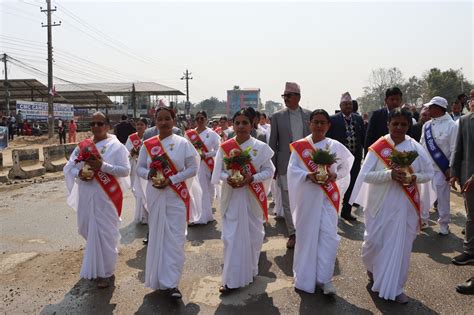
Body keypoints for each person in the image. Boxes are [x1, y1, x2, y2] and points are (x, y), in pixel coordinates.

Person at [350, 108, 435, 304]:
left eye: (403, 124)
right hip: (379, 205)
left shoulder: (415, 148)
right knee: (373, 243)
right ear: (388, 124)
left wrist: (413, 177)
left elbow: (428, 174)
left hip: (405, 207)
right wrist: (389, 174)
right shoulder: (379, 147)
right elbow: (365, 176)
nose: (398, 127)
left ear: (409, 126)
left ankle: (395, 287)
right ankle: (372, 267)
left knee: (401, 246)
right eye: (395, 123)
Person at [288, 109, 354, 295]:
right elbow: (292, 171)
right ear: (310, 123)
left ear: (328, 125)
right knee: (306, 237)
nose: (319, 125)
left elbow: (346, 167)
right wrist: (308, 175)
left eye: (322, 122)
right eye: (315, 122)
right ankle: (304, 278)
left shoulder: (335, 146)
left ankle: (324, 279)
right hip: (307, 198)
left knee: (328, 238)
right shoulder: (300, 147)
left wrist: (335, 174)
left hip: (328, 199)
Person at [136, 107, 198, 299]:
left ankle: (172, 283)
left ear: (173, 120)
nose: (163, 122)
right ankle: (157, 279)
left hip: (176, 196)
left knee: (176, 239)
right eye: (160, 119)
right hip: (155, 195)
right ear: (155, 121)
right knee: (158, 236)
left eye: (167, 119)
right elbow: (139, 169)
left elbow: (193, 168)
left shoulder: (183, 144)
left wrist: (172, 180)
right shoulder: (148, 144)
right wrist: (151, 175)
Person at [63, 112, 130, 289]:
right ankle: (100, 262)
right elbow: (69, 165)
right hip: (86, 192)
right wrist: (79, 173)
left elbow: (125, 170)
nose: (96, 127)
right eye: (93, 123)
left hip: (106, 197)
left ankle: (106, 273)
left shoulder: (117, 147)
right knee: (84, 228)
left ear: (107, 126)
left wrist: (102, 166)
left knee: (105, 233)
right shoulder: (83, 146)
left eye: (100, 123)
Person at [211, 108, 274, 293]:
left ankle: (251, 270)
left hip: (252, 198)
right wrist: (227, 177)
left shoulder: (260, 147)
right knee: (231, 238)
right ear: (233, 124)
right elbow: (219, 171)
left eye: (244, 122)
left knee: (254, 237)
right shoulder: (225, 147)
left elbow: (269, 171)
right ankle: (230, 279)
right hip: (232, 197)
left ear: (252, 123)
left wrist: (251, 179)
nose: (240, 126)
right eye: (237, 122)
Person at [269, 82, 312, 249]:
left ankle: (305, 230)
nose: (285, 99)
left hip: (307, 164)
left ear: (298, 97)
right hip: (285, 163)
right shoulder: (277, 116)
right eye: (284, 96)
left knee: (305, 198)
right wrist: (273, 167)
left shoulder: (309, 115)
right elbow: (273, 143)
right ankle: (293, 233)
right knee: (287, 200)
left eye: (289, 96)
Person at [420, 96, 458, 235]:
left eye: (430, 107)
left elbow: (454, 149)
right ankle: (423, 220)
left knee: (443, 199)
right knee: (424, 196)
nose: (428, 109)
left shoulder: (452, 125)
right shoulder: (426, 125)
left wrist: (451, 169)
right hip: (426, 168)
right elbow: (421, 146)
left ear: (438, 108)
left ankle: (444, 224)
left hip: (442, 169)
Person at [327, 92, 365, 221]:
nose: (348, 106)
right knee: (337, 183)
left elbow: (363, 137)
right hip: (338, 159)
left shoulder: (358, 119)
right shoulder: (333, 119)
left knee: (352, 183)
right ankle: (332, 211)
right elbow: (328, 139)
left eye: (350, 104)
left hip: (355, 157)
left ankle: (346, 210)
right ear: (340, 105)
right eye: (345, 104)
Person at [185, 111, 220, 225]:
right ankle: (194, 216)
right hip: (193, 167)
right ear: (195, 120)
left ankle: (205, 216)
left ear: (206, 119)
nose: (200, 120)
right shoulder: (189, 135)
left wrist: (207, 155)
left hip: (206, 166)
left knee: (205, 191)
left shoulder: (213, 134)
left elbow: (219, 151)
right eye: (198, 118)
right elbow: (185, 150)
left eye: (202, 118)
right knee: (193, 191)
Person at [450, 105, 474, 266]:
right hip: (468, 179)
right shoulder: (465, 121)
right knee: (471, 216)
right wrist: (454, 173)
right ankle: (470, 251)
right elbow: (459, 148)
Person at [125, 118, 149, 224]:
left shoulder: (149, 137)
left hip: (146, 167)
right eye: (138, 124)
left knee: (145, 190)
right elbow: (126, 152)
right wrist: (132, 152)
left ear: (146, 126)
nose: (139, 126)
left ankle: (147, 213)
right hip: (135, 166)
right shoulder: (131, 138)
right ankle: (141, 214)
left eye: (142, 124)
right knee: (136, 190)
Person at [365, 87, 404, 151]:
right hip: (379, 154)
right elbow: (369, 139)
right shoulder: (376, 116)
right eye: (392, 99)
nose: (395, 102)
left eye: (397, 99)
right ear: (386, 100)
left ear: (401, 100)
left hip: (400, 154)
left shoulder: (406, 117)